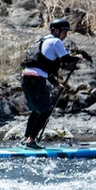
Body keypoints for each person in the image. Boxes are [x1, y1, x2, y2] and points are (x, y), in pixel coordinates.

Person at [20, 18, 83, 149]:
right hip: (36, 80)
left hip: (25, 77)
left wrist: (56, 84)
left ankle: (26, 138)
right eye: (64, 32)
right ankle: (30, 141)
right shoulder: (56, 41)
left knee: (37, 110)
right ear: (56, 30)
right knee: (45, 110)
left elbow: (42, 68)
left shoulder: (41, 41)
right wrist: (77, 57)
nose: (66, 35)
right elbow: (66, 60)